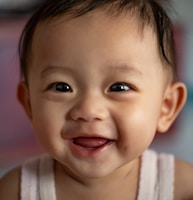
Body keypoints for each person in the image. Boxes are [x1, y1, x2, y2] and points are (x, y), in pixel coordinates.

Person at [0, 0, 193, 199]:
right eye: (62, 87)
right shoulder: (15, 191)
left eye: (119, 87)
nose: (88, 110)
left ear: (166, 107)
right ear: (30, 104)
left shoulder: (181, 187)